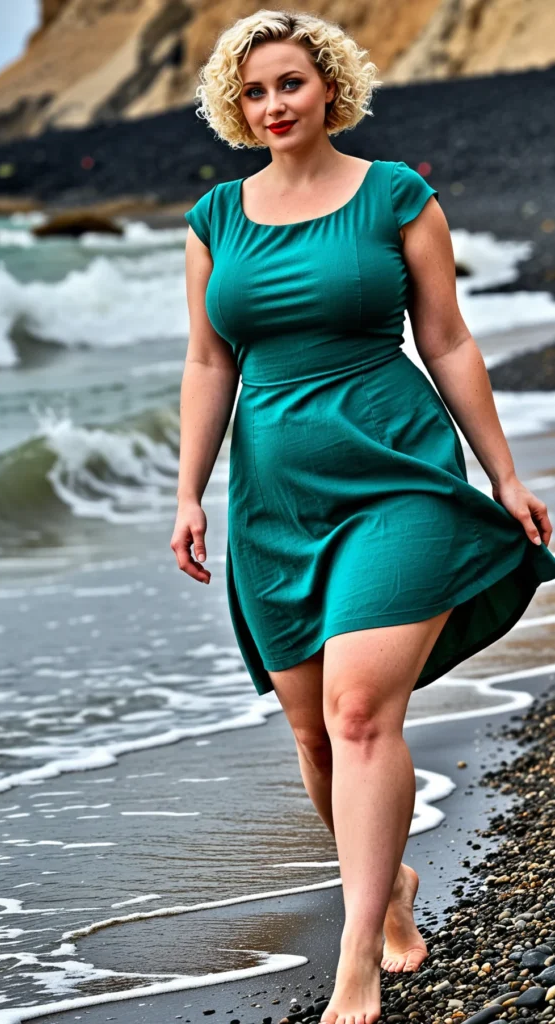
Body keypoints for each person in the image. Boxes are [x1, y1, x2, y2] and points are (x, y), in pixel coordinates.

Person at [171, 9, 555, 1024]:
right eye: (253, 91)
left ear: (329, 88)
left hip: (394, 475)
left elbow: (450, 341)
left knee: (355, 712)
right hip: (272, 501)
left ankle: (356, 963)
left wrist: (502, 473)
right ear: (233, 104)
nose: (272, 105)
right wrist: (186, 492)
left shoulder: (394, 196)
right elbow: (211, 362)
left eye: (289, 83)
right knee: (310, 733)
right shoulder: (215, 217)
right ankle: (385, 885)